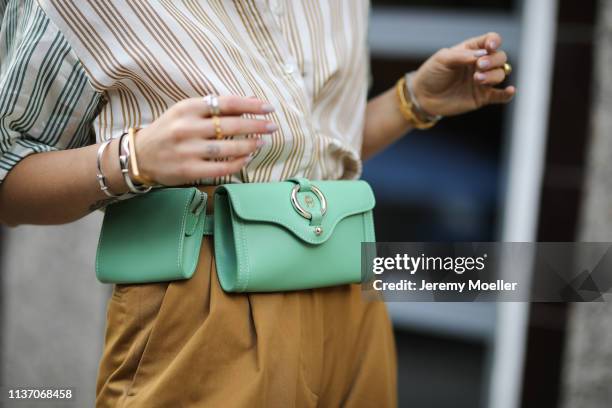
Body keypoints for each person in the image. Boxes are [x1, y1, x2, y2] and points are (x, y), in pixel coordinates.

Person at [0, 1, 515, 407]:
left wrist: (412, 103)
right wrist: (135, 158)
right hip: (204, 316)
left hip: (352, 303)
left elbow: (310, 161)